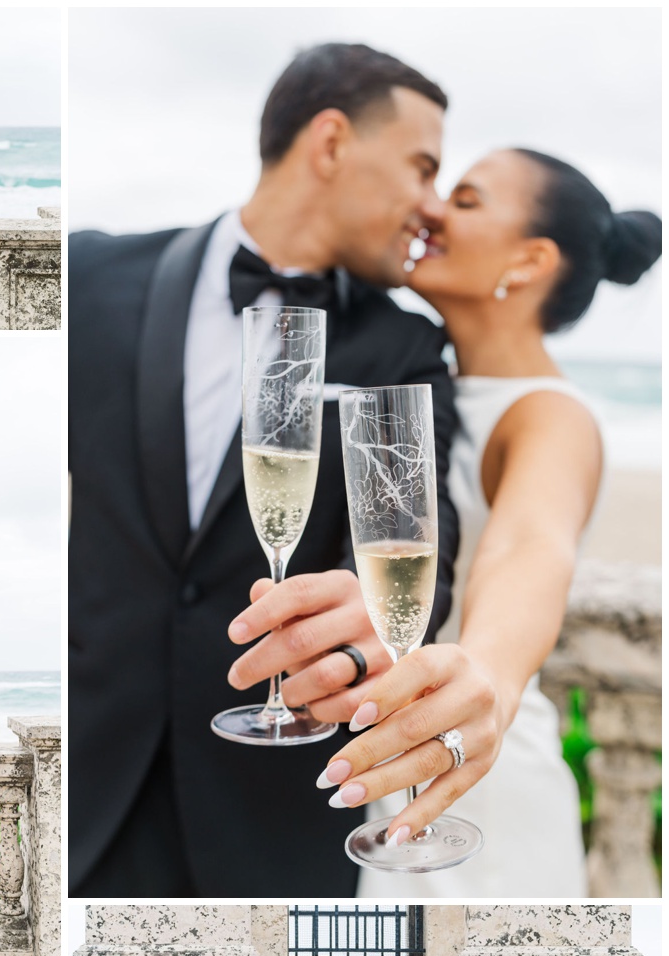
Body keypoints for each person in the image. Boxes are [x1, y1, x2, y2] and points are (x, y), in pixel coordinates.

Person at [69, 43, 461, 896]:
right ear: (331, 143)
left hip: (271, 825)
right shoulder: (87, 277)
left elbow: (426, 534)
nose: (433, 206)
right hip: (86, 803)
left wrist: (373, 625)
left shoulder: (405, 345)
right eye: (423, 168)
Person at [310, 155, 661, 894]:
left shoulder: (550, 415)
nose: (431, 210)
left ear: (530, 259)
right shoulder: (420, 388)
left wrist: (490, 675)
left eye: (464, 200)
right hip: (400, 759)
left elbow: (532, 546)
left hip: (483, 788)